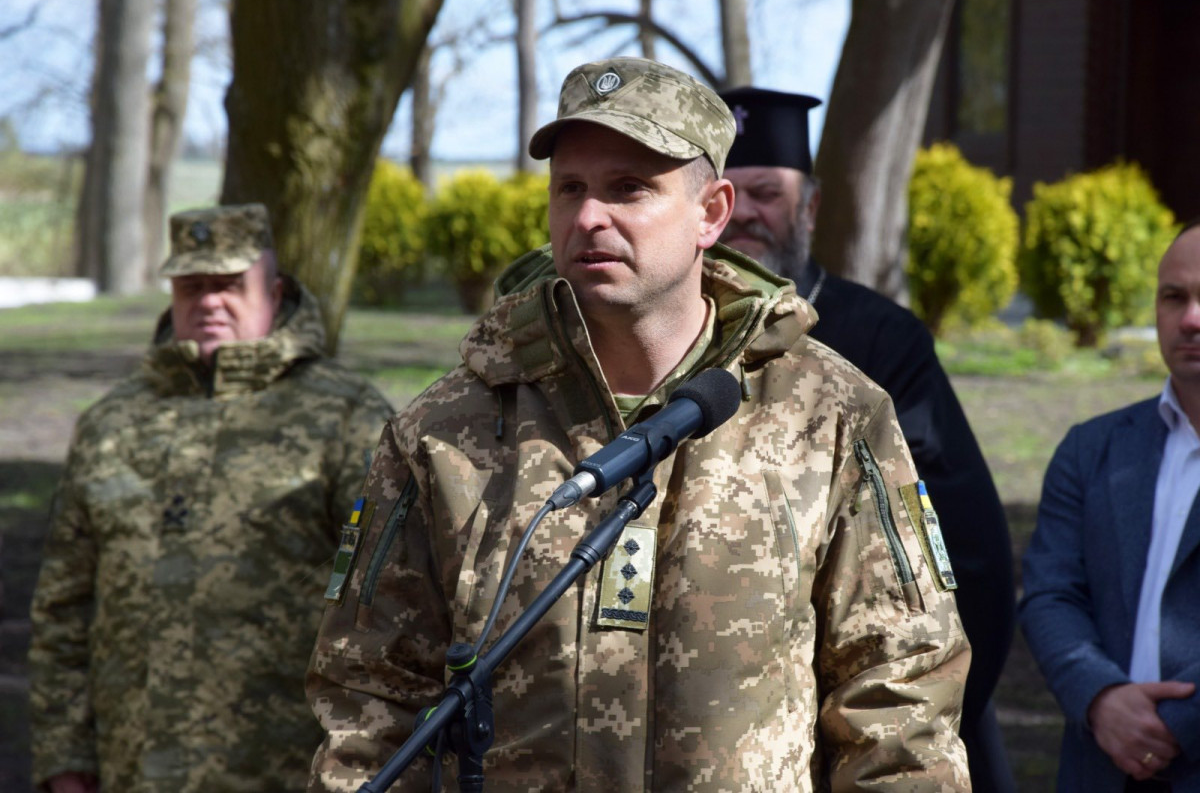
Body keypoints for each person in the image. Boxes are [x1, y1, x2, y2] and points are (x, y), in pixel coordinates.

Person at [306, 56, 970, 792]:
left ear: (711, 213)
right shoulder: (444, 431)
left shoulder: (829, 414)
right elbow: (370, 701)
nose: (590, 217)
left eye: (630, 189)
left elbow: (900, 698)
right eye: (571, 189)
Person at [26, 203, 394, 793]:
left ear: (274, 292)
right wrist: (64, 755)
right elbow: (62, 609)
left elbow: (390, 605)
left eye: (229, 285)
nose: (209, 302)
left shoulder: (345, 416)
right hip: (132, 767)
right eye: (192, 286)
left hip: (288, 767)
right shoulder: (110, 422)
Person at [717, 86, 1017, 793]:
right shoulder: (651, 342)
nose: (746, 214)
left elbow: (961, 550)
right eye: (729, 193)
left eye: (768, 192)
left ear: (811, 207)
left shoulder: (880, 340)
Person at [1020, 221, 1200, 792]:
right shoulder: (1091, 449)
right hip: (1101, 768)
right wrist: (1099, 697)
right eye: (1175, 297)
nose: (1191, 318)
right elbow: (1051, 593)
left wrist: (1174, 726)